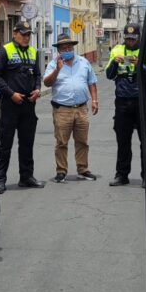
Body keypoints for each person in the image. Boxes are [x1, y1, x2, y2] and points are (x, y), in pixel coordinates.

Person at [0, 20, 43, 193]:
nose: (26, 37)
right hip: (9, 104)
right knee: (5, 143)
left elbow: (37, 75)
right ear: (14, 33)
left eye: (28, 34)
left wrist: (37, 89)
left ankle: (26, 177)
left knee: (27, 143)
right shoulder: (4, 50)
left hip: (28, 104)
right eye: (23, 34)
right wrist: (11, 94)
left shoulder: (33, 52)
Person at [106, 23, 146, 187]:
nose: (130, 42)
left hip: (142, 101)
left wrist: (140, 65)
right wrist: (115, 62)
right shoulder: (117, 50)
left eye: (133, 39)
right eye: (127, 39)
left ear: (139, 37)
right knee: (123, 141)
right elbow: (109, 74)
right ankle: (121, 175)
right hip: (122, 102)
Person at [43, 32, 98, 183]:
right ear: (59, 50)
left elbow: (92, 82)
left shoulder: (84, 62)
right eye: (63, 48)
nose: (67, 50)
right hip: (62, 110)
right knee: (61, 142)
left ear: (73, 48)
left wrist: (94, 100)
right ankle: (61, 171)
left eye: (69, 47)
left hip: (81, 108)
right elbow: (47, 83)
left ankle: (83, 170)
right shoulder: (54, 64)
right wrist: (57, 70)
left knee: (82, 141)